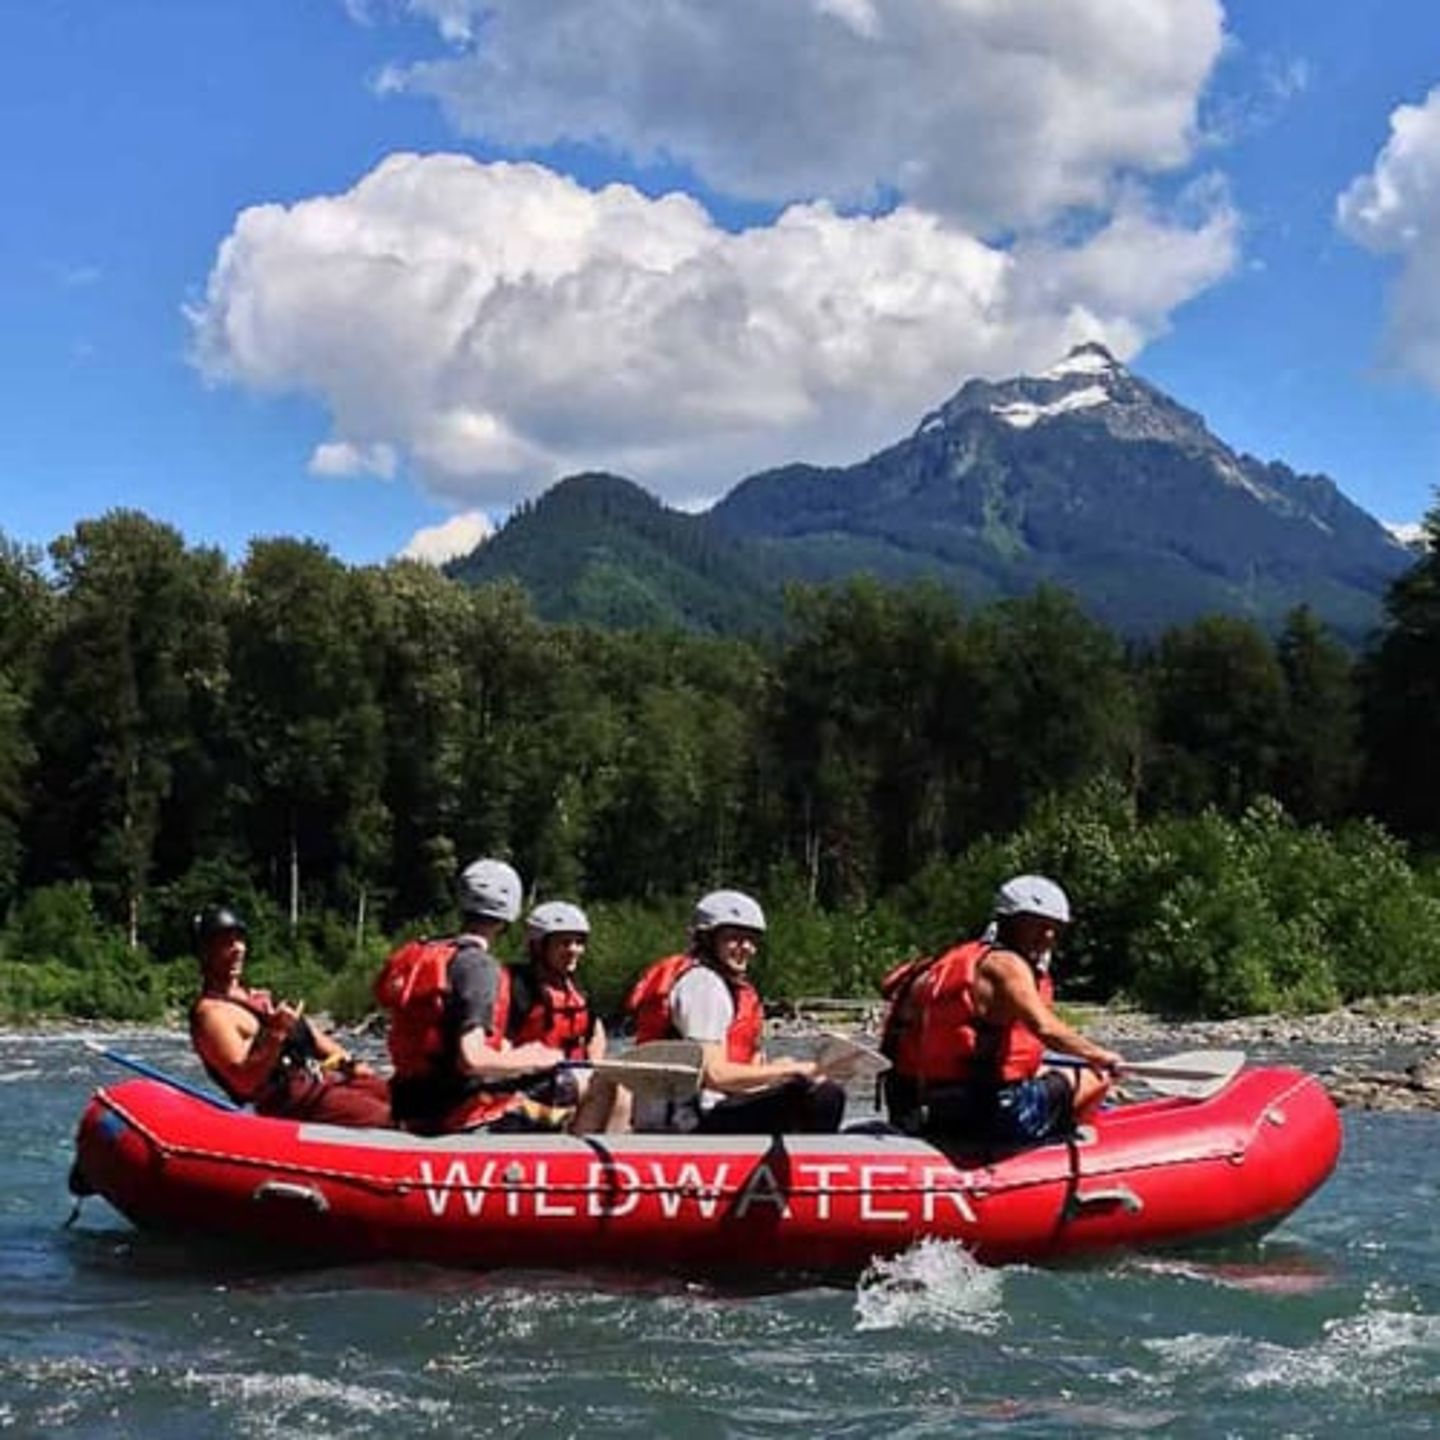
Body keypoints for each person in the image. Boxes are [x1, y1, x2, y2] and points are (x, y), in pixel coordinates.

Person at [880, 874, 1123, 1146]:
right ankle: (1067, 1155)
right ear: (1009, 922)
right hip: (984, 1114)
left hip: (919, 1105)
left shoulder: (945, 962)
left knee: (1045, 1071)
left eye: (1055, 928)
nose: (1048, 936)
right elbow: (1045, 1028)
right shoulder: (1005, 965)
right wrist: (1101, 1056)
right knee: (1096, 1078)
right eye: (1038, 925)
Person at [376, 858, 579, 1135]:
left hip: (410, 1103)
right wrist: (536, 1058)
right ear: (510, 910)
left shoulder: (429, 952)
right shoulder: (478, 967)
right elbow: (472, 1059)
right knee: (583, 1091)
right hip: (460, 1113)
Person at [624, 889, 845, 1134]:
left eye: (751, 939)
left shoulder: (727, 987)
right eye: (735, 938)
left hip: (711, 1109)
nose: (747, 948)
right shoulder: (702, 986)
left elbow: (736, 1074)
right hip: (689, 1122)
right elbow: (715, 1075)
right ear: (708, 939)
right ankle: (810, 1167)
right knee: (822, 1095)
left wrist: (777, 1070)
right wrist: (791, 1070)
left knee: (808, 1085)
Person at [189, 905, 393, 1127]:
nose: (238, 948)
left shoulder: (256, 997)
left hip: (318, 1082)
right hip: (288, 1101)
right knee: (387, 1116)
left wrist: (352, 1065)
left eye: (240, 940)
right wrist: (276, 1033)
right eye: (226, 942)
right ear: (206, 952)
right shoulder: (212, 1015)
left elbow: (314, 1038)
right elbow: (244, 1083)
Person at [506, 900, 630, 1133]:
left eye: (579, 942)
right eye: (564, 942)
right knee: (600, 1086)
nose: (574, 949)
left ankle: (601, 1159)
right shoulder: (517, 987)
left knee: (620, 1091)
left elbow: (595, 1033)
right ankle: (577, 1152)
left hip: (561, 1088)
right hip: (517, 1099)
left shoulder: (575, 990)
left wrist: (598, 1067)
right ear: (539, 947)